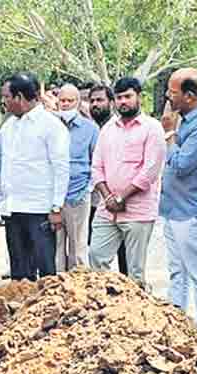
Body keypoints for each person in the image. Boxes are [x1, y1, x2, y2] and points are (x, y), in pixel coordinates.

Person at [88, 77, 166, 288]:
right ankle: (107, 309)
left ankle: (136, 318)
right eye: (119, 97)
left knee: (135, 272)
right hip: (107, 210)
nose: (123, 102)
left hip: (138, 211)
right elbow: (96, 167)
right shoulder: (108, 129)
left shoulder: (152, 128)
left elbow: (149, 172)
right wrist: (108, 197)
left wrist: (122, 197)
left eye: (128, 96)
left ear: (139, 97)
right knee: (96, 257)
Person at [160, 68, 197, 333]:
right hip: (175, 208)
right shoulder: (186, 118)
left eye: (172, 92)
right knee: (177, 272)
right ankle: (178, 325)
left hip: (192, 211)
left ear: (188, 95)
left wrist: (169, 134)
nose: (167, 97)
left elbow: (183, 164)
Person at [0, 72, 71, 281]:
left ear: (19, 97)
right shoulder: (8, 127)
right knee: (19, 274)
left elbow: (61, 168)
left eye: (6, 96)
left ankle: (49, 312)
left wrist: (56, 207)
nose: (4, 101)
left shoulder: (51, 125)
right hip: (13, 209)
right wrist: (0, 201)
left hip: (40, 210)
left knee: (46, 271)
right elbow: (5, 167)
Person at [53, 83, 100, 271]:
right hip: (55, 197)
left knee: (78, 250)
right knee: (55, 250)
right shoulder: (51, 126)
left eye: (70, 101)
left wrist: (88, 189)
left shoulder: (90, 129)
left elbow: (96, 162)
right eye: (62, 101)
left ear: (78, 102)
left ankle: (78, 292)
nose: (65, 104)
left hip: (78, 194)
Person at [87, 83, 129, 275]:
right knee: (97, 255)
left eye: (100, 100)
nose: (95, 104)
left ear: (111, 103)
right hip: (94, 202)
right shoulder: (88, 127)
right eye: (92, 100)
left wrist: (114, 197)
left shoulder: (120, 128)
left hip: (120, 202)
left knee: (126, 259)